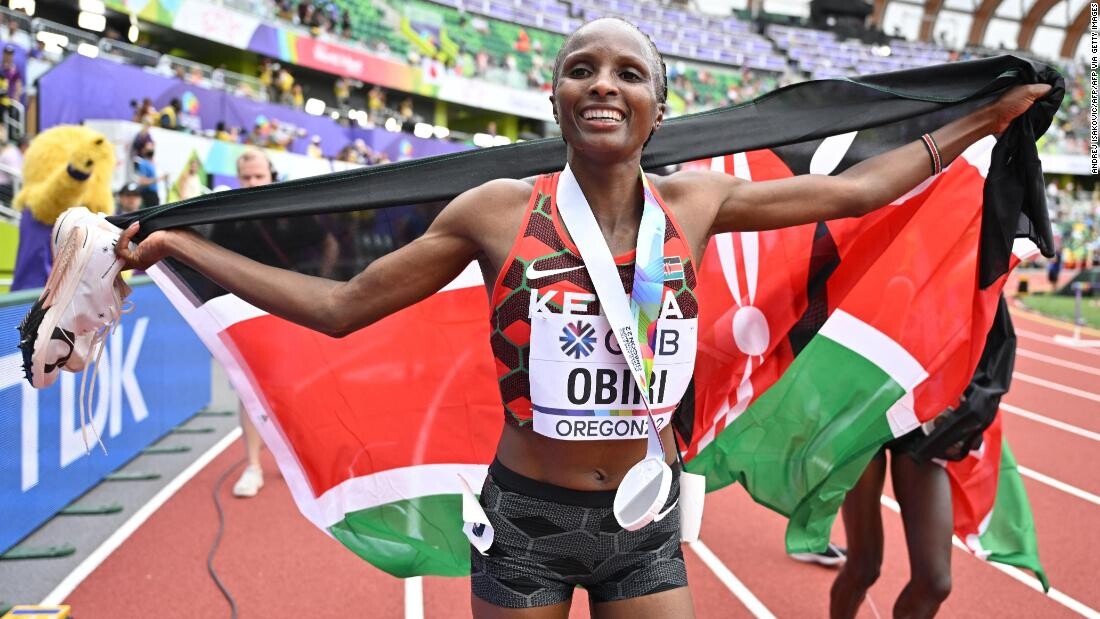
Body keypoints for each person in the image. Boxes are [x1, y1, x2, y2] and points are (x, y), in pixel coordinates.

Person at [116, 18, 1048, 617]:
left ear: (657, 108)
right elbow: (338, 306)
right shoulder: (495, 211)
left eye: (628, 73)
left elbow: (857, 192)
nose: (604, 83)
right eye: (581, 70)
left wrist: (986, 119)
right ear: (555, 97)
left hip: (642, 519)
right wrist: (181, 246)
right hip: (527, 520)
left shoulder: (696, 203)